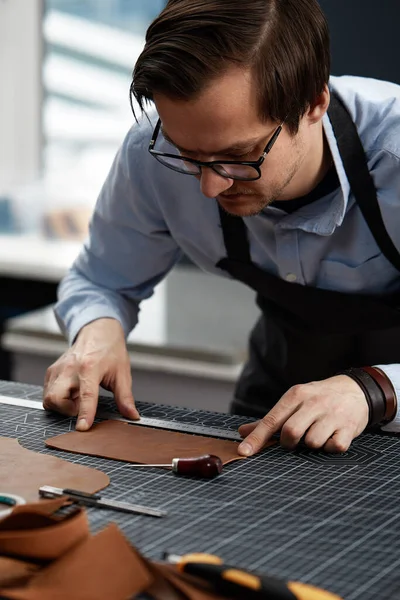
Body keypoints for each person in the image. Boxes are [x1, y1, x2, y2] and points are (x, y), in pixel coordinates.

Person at [43, 0, 400, 456]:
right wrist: (96, 333)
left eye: (240, 156)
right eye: (188, 155)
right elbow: (101, 279)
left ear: (314, 103)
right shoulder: (152, 153)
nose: (210, 186)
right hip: (275, 399)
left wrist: (373, 390)